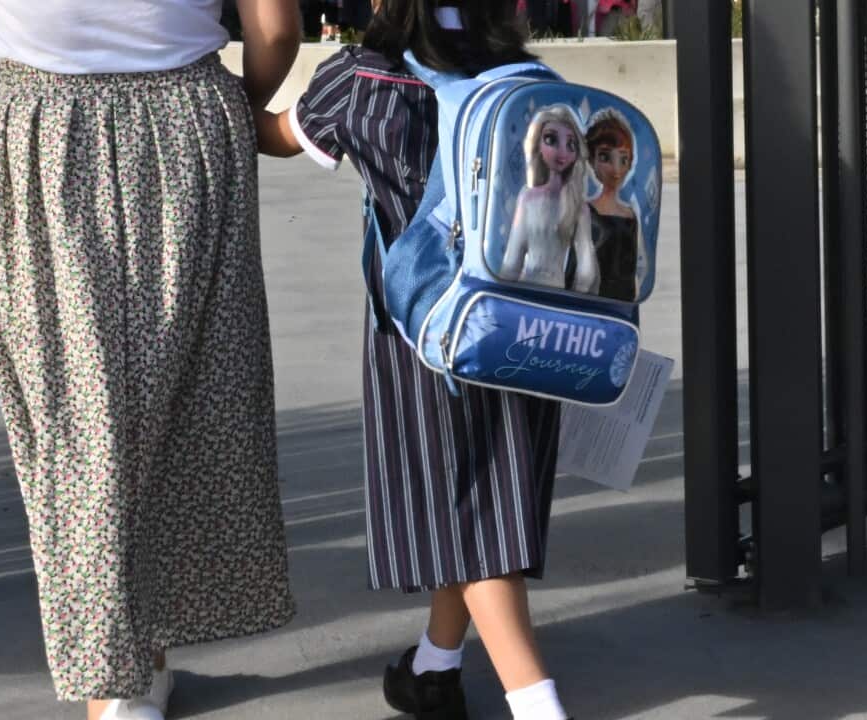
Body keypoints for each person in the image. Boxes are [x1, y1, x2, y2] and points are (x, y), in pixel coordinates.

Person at [0, 1, 301, 719]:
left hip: (45, 125)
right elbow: (275, 30)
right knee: (190, 393)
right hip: (189, 118)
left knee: (77, 412)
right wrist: (230, 111)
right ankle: (140, 657)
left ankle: (117, 681)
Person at [254, 2, 574, 719]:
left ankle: (537, 704)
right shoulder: (526, 77)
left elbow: (275, 137)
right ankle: (435, 667)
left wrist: (220, 93)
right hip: (524, 328)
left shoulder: (360, 81)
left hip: (423, 333)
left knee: (465, 522)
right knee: (479, 501)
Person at [503, 104, 598, 294]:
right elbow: (586, 271)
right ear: (537, 144)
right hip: (557, 293)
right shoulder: (577, 207)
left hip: (527, 291)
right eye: (551, 139)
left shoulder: (529, 198)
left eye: (570, 144)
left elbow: (512, 262)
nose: (562, 152)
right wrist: (578, 297)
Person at [583, 108, 641, 301]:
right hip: (591, 303)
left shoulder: (630, 216)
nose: (616, 170)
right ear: (591, 160)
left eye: (623, 159)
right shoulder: (586, 212)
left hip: (623, 303)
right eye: (605, 157)